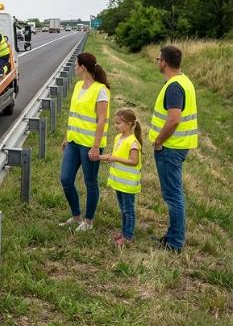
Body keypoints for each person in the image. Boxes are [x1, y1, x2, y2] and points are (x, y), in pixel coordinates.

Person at [149, 45, 198, 253]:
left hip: (170, 147)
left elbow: (174, 120)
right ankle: (172, 236)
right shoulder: (183, 81)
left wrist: (159, 141)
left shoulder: (174, 86)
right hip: (178, 146)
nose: (157, 61)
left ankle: (175, 243)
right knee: (172, 194)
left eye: (158, 59)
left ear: (164, 62)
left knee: (173, 196)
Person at [59, 52, 110, 231]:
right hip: (74, 141)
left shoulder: (101, 90)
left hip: (90, 145)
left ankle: (88, 222)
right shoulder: (78, 86)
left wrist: (96, 147)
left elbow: (101, 120)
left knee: (90, 182)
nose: (74, 68)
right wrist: (67, 137)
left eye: (76, 65)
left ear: (83, 67)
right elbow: (73, 114)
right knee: (66, 179)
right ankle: (76, 217)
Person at [100, 109, 142, 245]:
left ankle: (128, 237)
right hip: (119, 182)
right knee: (123, 208)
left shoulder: (133, 142)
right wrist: (100, 157)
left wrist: (115, 158)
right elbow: (115, 155)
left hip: (128, 183)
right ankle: (124, 232)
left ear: (129, 124)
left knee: (128, 210)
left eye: (119, 123)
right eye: (115, 123)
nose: (116, 126)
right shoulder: (118, 138)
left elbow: (134, 161)